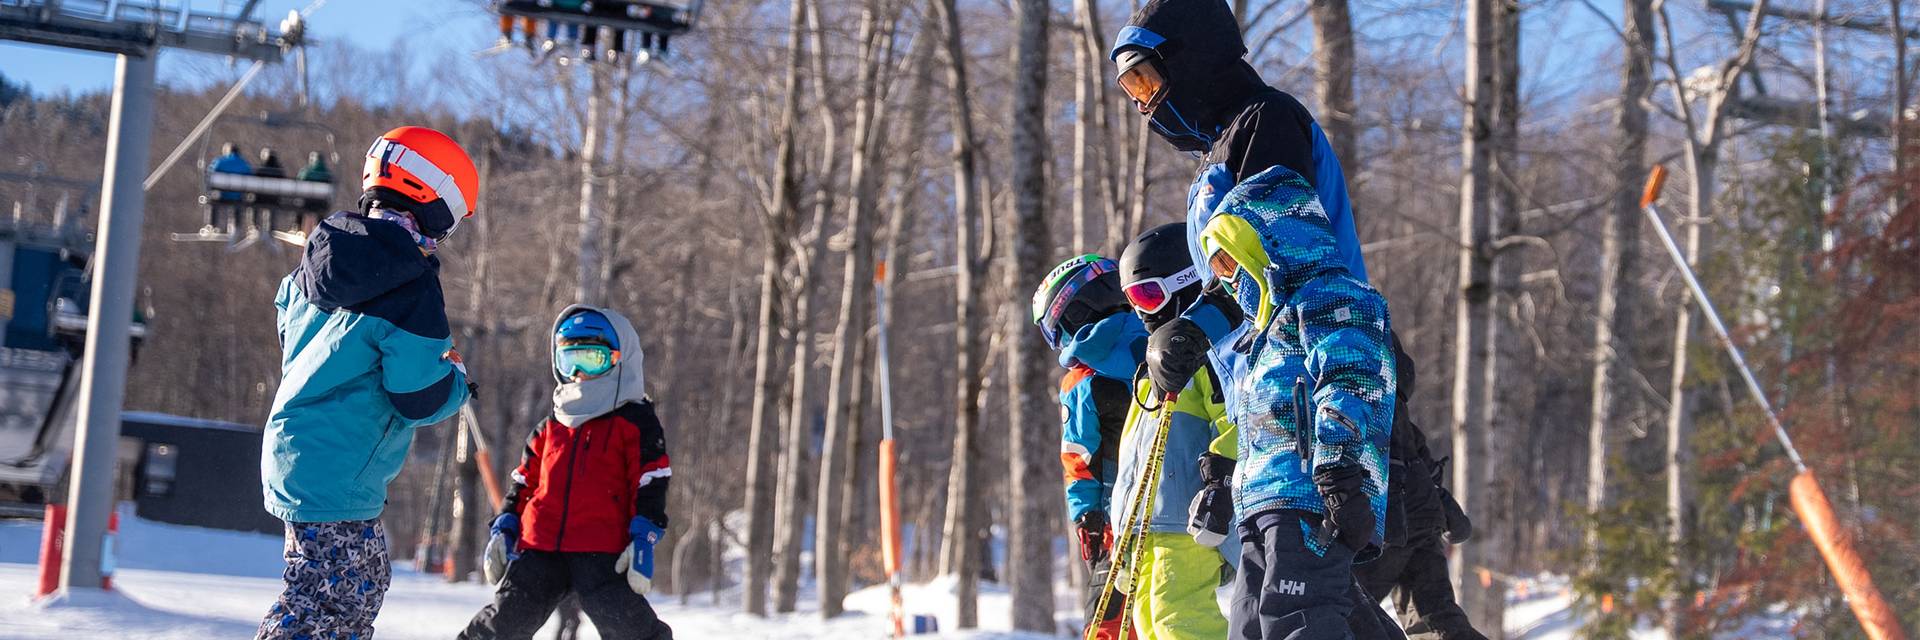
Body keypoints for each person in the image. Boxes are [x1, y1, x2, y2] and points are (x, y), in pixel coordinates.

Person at [1110, 1, 1481, 636]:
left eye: (1145, 78)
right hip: (1270, 426)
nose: (1143, 104)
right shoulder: (1218, 161)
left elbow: (1288, 269)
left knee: (1302, 618)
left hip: (1314, 413)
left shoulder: (1264, 126)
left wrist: (1198, 324)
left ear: (1188, 58)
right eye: (1129, 90)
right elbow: (1251, 286)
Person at [257, 126, 477, 639]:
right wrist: (458, 382)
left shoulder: (324, 253)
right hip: (336, 470)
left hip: (299, 454)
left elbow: (285, 316)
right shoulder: (412, 284)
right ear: (437, 203)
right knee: (324, 594)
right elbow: (417, 396)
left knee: (361, 578)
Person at [460, 305, 673, 640]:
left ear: (620, 359)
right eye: (567, 359)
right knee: (502, 624)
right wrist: (506, 525)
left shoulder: (634, 422)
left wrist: (644, 535)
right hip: (540, 549)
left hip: (602, 552)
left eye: (590, 360)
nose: (577, 372)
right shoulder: (552, 424)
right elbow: (524, 482)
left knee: (632, 629)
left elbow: (651, 480)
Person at [1112, 223, 1236, 639]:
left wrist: (1220, 484)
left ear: (1187, 284)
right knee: (1148, 624)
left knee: (1179, 621)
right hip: (1146, 526)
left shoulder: (1208, 357)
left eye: (1149, 295)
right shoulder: (1150, 374)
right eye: (1133, 300)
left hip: (1185, 525)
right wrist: (1123, 532)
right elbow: (1133, 461)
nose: (1144, 312)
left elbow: (1233, 422)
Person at [1032, 254, 1144, 640]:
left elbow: (1080, 457)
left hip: (1120, 516)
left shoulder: (1081, 380)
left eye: (1057, 330)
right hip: (1184, 507)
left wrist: (1087, 518)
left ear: (1075, 312)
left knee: (1108, 625)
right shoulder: (1167, 338)